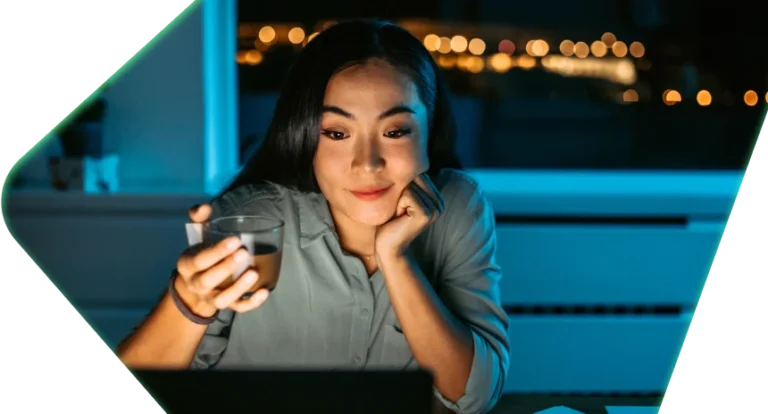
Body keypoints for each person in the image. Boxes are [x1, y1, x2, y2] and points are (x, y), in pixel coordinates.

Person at [117, 19, 510, 414]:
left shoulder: (459, 205)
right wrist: (189, 302)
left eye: (395, 132)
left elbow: (473, 397)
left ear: (429, 130)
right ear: (306, 137)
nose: (367, 163)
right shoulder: (250, 220)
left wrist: (395, 259)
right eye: (337, 133)